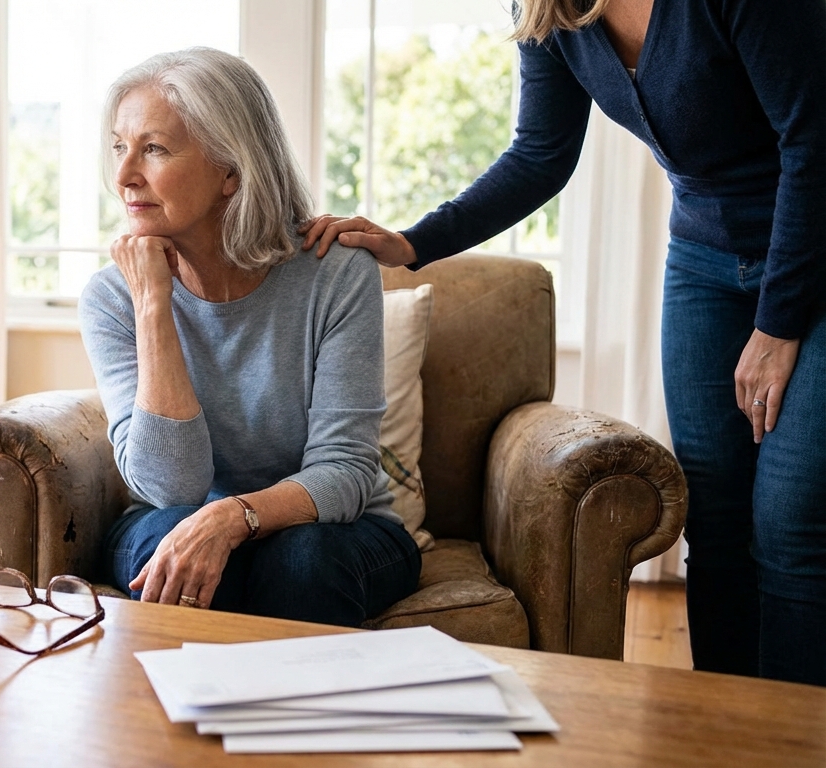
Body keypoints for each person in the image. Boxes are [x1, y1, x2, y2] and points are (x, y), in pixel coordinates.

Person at [301, 0, 826, 685]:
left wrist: (777, 325)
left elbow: (813, 142)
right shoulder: (549, 9)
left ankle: (795, 735)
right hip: (703, 258)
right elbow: (540, 153)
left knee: (790, 519)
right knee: (717, 517)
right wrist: (414, 243)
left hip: (810, 258)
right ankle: (725, 729)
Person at [78, 47, 421, 627]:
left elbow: (344, 470)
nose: (124, 175)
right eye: (120, 146)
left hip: (333, 530)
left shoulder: (335, 272)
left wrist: (233, 517)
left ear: (231, 171)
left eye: (153, 149)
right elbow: (171, 488)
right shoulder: (115, 297)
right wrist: (154, 307)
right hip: (176, 514)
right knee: (172, 540)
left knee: (300, 560)